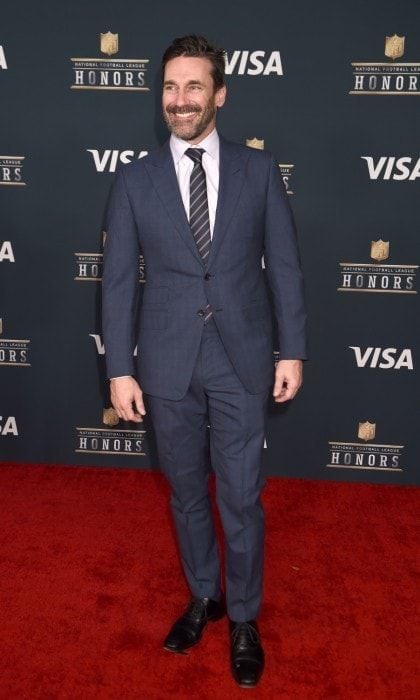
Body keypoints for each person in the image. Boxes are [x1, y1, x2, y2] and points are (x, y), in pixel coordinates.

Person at [102, 34, 307, 688]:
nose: (180, 100)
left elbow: (288, 271)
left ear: (219, 93)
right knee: (187, 493)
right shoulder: (135, 179)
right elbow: (113, 281)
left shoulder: (259, 170)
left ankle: (243, 615)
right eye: (169, 87)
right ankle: (204, 596)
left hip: (242, 357)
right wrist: (120, 368)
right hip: (165, 362)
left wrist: (293, 350)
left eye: (193, 86)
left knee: (242, 496)